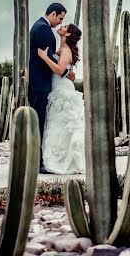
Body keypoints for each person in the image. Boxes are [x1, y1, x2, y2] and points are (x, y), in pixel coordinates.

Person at [28, 3, 75, 173]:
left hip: (41, 82)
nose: (60, 23)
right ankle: (38, 162)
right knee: (39, 122)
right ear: (53, 13)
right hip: (40, 84)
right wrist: (65, 72)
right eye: (60, 18)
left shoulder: (40, 27)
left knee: (43, 122)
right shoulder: (42, 29)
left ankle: (40, 159)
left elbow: (48, 57)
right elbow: (45, 58)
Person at [37, 23, 86, 174]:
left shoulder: (65, 50)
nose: (62, 26)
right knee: (58, 126)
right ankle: (59, 159)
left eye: (65, 26)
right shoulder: (62, 48)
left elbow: (59, 70)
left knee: (60, 125)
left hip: (62, 90)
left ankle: (60, 162)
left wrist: (45, 57)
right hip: (59, 87)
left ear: (69, 34)